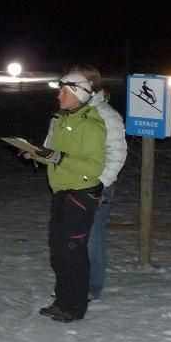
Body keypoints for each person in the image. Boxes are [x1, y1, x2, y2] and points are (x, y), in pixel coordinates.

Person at [33, 71, 106, 323]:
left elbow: (93, 168)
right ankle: (62, 301)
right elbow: (56, 154)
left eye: (65, 91)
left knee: (73, 252)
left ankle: (75, 306)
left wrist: (58, 158)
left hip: (79, 196)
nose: (59, 95)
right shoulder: (61, 120)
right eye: (59, 90)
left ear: (79, 95)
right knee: (58, 252)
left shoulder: (92, 126)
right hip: (61, 194)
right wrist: (38, 154)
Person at [60, 65, 127, 300]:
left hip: (97, 187)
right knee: (74, 238)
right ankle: (77, 283)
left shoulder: (105, 114)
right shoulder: (75, 111)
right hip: (74, 185)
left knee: (92, 238)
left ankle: (92, 287)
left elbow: (117, 154)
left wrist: (101, 185)